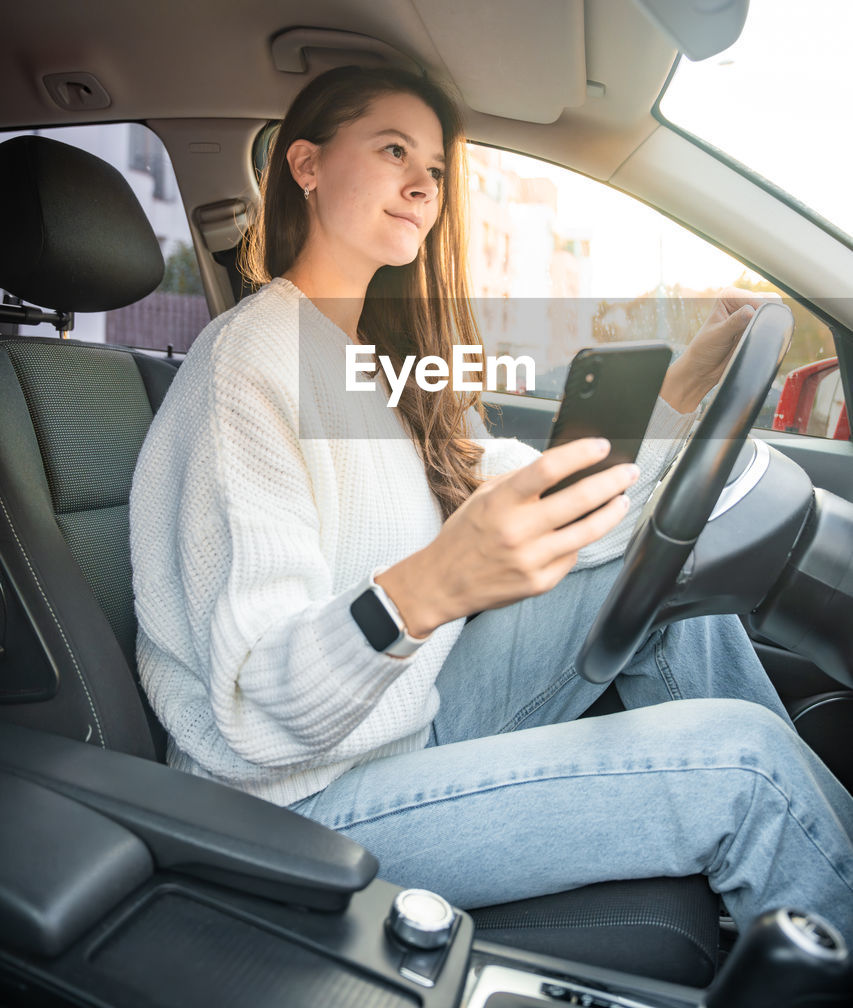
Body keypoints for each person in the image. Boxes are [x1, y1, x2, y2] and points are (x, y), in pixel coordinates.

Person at [129, 65, 853, 944]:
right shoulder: (247, 366)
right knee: (751, 769)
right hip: (294, 803)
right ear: (305, 165)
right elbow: (255, 713)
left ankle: (823, 847)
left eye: (433, 167)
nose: (421, 185)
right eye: (392, 149)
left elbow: (537, 491)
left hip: (407, 710)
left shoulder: (383, 361)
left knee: (664, 574)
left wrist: (681, 392)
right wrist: (431, 585)